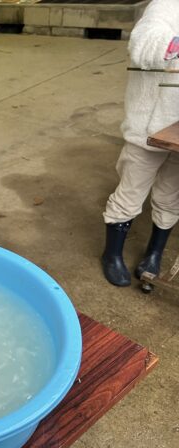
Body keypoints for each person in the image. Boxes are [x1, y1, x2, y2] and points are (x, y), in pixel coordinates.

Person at [101, 0, 179, 289]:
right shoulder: (166, 6)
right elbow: (144, 43)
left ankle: (154, 253)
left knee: (171, 193)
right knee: (131, 191)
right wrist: (173, 46)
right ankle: (112, 254)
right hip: (149, 126)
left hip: (177, 134)